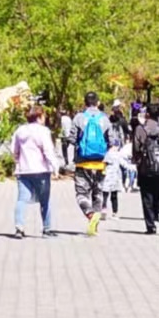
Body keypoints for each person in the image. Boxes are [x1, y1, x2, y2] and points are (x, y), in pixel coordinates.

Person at [10, 106, 60, 238]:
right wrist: (55, 167)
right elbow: (48, 151)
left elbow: (13, 149)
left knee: (22, 199)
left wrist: (17, 161)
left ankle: (19, 228)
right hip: (41, 170)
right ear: (39, 117)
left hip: (23, 170)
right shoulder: (43, 131)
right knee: (45, 200)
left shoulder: (20, 130)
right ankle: (46, 229)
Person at [70, 92, 112, 236]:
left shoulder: (79, 118)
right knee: (98, 194)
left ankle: (89, 214)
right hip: (100, 164)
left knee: (81, 194)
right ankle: (95, 226)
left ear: (84, 102)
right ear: (98, 102)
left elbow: (71, 138)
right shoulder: (105, 119)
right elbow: (111, 141)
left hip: (82, 163)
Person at [132, 104, 159, 233]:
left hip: (145, 168)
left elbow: (136, 148)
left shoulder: (140, 129)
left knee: (147, 196)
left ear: (147, 114)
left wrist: (138, 160)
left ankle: (151, 226)